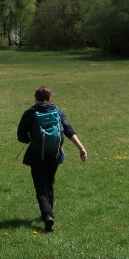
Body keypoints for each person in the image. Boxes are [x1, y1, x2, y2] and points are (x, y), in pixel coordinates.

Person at [17, 86, 88, 232]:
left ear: (35, 98)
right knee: (49, 183)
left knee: (40, 186)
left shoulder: (30, 113)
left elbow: (21, 136)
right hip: (54, 155)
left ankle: (47, 215)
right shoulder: (57, 112)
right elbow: (69, 131)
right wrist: (81, 148)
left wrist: (32, 139)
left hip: (36, 155)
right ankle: (49, 213)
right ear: (50, 98)